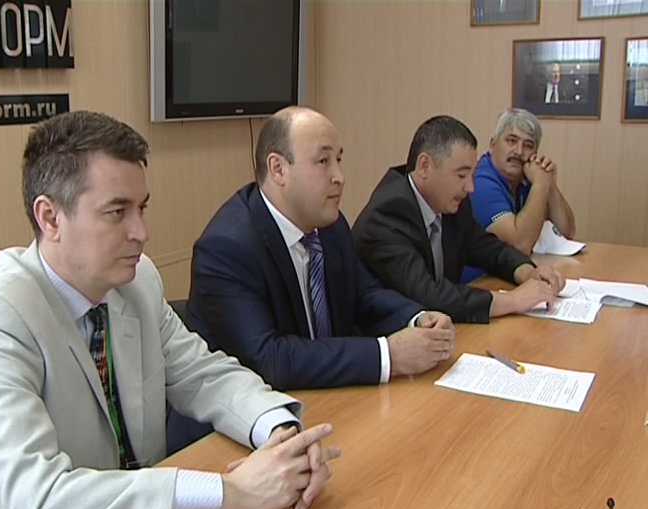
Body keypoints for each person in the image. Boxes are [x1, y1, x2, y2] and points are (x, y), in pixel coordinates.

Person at [0, 111, 340, 509]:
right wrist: (234, 493)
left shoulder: (136, 282)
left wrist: (280, 436)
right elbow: (38, 505)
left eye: (141, 209)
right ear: (50, 217)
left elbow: (203, 374)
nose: (142, 233)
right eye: (116, 212)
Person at [186, 106, 455, 391]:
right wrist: (388, 355)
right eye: (323, 161)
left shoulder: (330, 226)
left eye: (339, 159)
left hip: (325, 396)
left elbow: (363, 294)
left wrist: (417, 318)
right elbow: (268, 359)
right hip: (248, 410)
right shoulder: (226, 248)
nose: (339, 176)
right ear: (278, 169)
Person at [352, 115, 564, 324]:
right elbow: (427, 295)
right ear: (424, 166)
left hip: (441, 329)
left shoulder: (451, 203)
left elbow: (490, 249)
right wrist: (514, 300)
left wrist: (528, 273)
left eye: (471, 175)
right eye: (461, 175)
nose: (470, 187)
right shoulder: (387, 215)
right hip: (390, 336)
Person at [470, 108, 575, 256]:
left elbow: (565, 235)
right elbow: (520, 245)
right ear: (492, 145)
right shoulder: (480, 183)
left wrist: (549, 184)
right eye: (511, 141)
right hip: (477, 271)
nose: (519, 151)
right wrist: (540, 184)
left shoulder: (526, 177)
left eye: (528, 145)